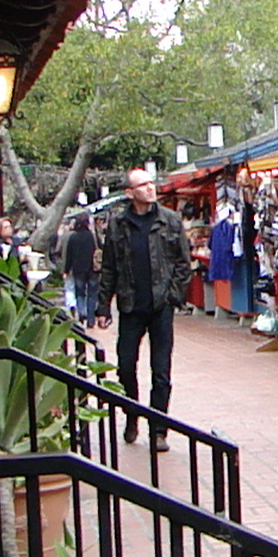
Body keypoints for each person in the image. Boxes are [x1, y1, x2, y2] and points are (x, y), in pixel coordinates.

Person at [99, 174, 191, 409]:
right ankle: (132, 413)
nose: (150, 188)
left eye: (151, 183)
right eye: (143, 185)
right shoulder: (118, 225)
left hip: (161, 306)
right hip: (131, 306)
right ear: (130, 193)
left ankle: (158, 424)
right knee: (125, 366)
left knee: (161, 371)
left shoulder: (170, 220)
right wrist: (103, 306)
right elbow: (109, 267)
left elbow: (183, 263)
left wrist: (172, 296)